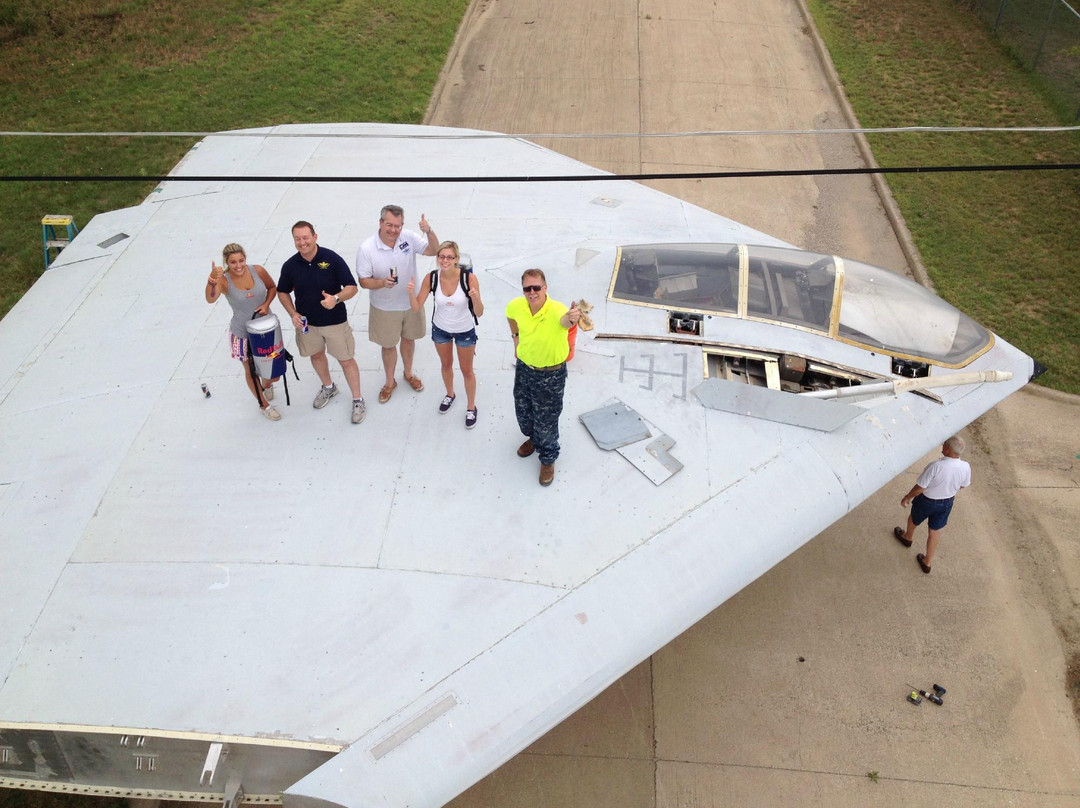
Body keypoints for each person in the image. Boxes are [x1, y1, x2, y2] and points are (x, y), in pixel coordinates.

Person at [276, 221, 366, 424]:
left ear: (315, 237)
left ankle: (358, 399)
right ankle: (328, 387)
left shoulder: (331, 259)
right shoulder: (290, 265)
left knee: (346, 360)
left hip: (334, 322)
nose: (302, 242)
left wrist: (335, 299)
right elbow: (282, 291)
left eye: (306, 237)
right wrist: (292, 313)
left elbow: (352, 287)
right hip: (308, 325)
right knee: (316, 356)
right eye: (297, 239)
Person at [356, 204, 439, 404]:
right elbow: (363, 281)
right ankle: (389, 382)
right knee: (388, 346)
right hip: (384, 308)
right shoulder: (367, 248)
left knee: (409, 340)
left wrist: (428, 231)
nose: (394, 230)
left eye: (398, 225)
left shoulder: (408, 237)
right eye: (389, 225)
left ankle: (408, 374)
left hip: (411, 303)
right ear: (380, 223)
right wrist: (382, 283)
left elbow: (433, 250)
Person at [505, 269, 580, 486]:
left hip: (550, 374)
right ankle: (534, 438)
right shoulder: (517, 306)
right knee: (523, 411)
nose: (532, 292)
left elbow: (565, 322)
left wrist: (572, 318)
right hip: (525, 369)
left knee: (546, 419)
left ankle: (547, 458)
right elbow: (510, 316)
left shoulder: (557, 310)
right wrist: (516, 338)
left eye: (536, 287)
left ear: (545, 288)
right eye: (527, 288)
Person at [406, 241, 485, 428]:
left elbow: (480, 312)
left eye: (450, 257)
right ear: (437, 258)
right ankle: (450, 394)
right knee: (446, 364)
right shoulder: (432, 278)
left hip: (464, 330)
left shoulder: (469, 279)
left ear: (457, 259)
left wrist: (474, 297)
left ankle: (471, 407)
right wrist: (410, 292)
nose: (445, 260)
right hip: (440, 329)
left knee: (467, 371)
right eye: (442, 257)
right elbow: (416, 307)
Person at [205, 243, 282, 421]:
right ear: (227, 263)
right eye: (233, 262)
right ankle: (264, 405)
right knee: (250, 369)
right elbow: (210, 299)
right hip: (242, 333)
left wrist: (266, 304)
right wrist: (212, 279)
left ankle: (267, 384)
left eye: (241, 260)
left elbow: (272, 287)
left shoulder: (258, 270)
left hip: (265, 328)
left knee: (272, 368)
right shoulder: (224, 280)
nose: (238, 266)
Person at [894, 435, 972, 573]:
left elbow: (920, 487)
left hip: (927, 500)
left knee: (914, 518)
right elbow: (963, 485)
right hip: (947, 502)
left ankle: (907, 537)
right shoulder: (965, 467)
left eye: (944, 444)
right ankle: (927, 562)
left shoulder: (936, 466)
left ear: (948, 449)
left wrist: (907, 497)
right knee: (935, 531)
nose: (942, 445)